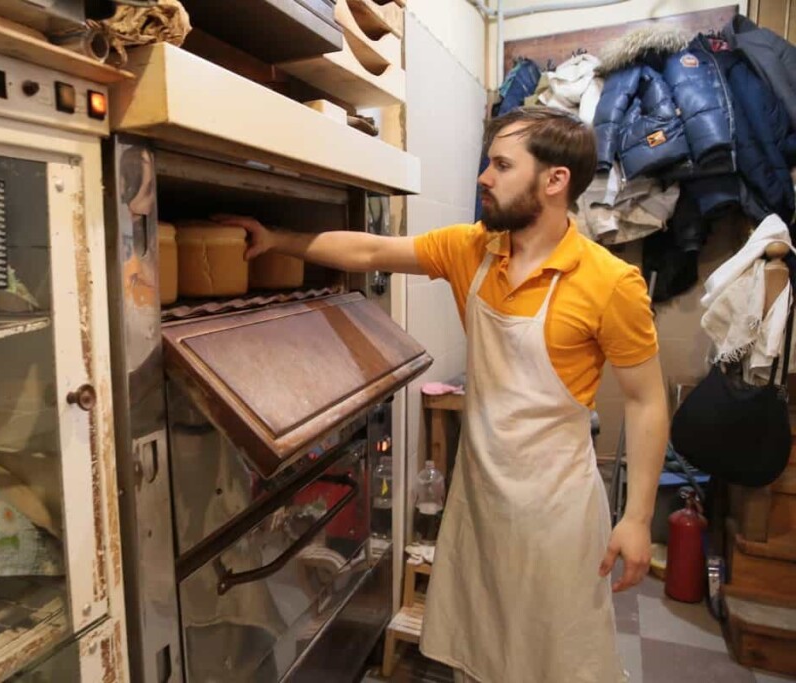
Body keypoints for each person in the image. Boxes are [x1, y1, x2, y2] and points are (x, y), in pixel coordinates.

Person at [214, 106, 669, 683]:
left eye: (502, 165)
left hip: (556, 513)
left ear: (555, 180)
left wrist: (637, 518)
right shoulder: (473, 250)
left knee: (556, 657)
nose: (484, 177)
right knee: (479, 650)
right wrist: (279, 239)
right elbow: (371, 252)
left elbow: (647, 401)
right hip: (479, 499)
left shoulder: (610, 282)